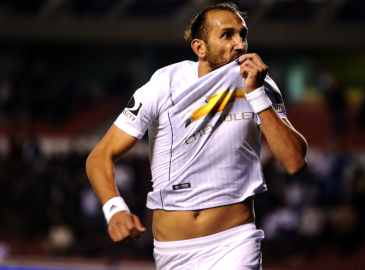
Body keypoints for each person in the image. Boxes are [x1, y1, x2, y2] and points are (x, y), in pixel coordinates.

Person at [85, 2, 307, 269]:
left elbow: (294, 161)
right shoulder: (164, 83)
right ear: (199, 48)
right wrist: (115, 210)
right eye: (227, 35)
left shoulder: (260, 84)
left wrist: (257, 94)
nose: (240, 45)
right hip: (173, 252)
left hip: (234, 244)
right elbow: (99, 156)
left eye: (243, 35)